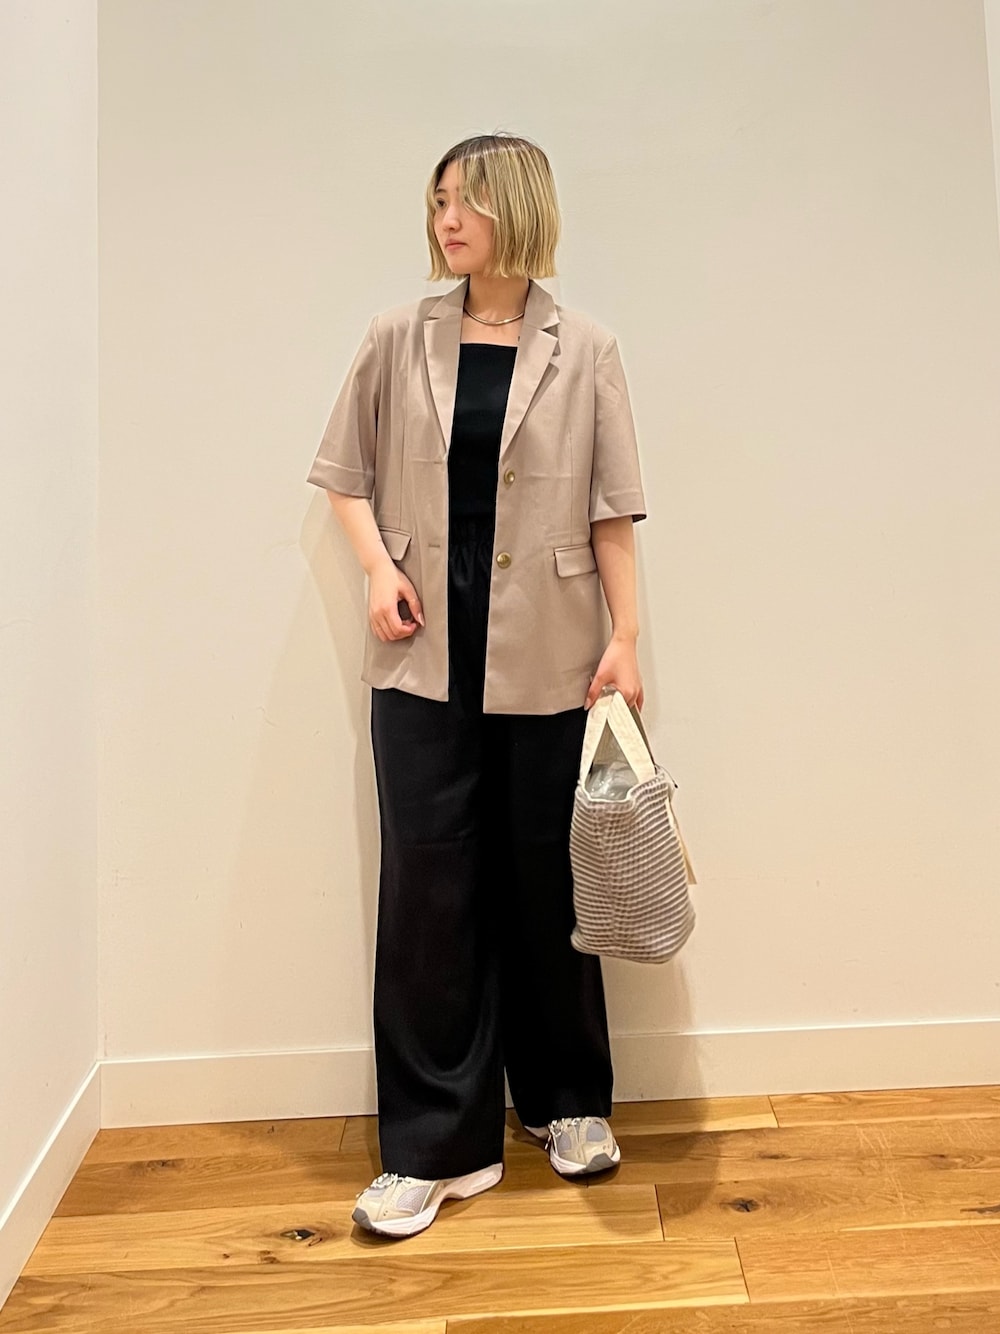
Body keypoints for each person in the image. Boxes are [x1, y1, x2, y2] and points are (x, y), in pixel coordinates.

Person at [307, 132, 646, 1238]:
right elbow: (342, 476)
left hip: (550, 648)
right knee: (428, 891)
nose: (446, 219)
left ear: (519, 208)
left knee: (550, 880)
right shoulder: (395, 336)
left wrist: (626, 638)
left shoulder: (585, 348)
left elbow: (612, 508)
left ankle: (566, 1101)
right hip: (422, 652)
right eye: (438, 200)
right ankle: (434, 1146)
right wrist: (377, 569)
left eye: (468, 200)